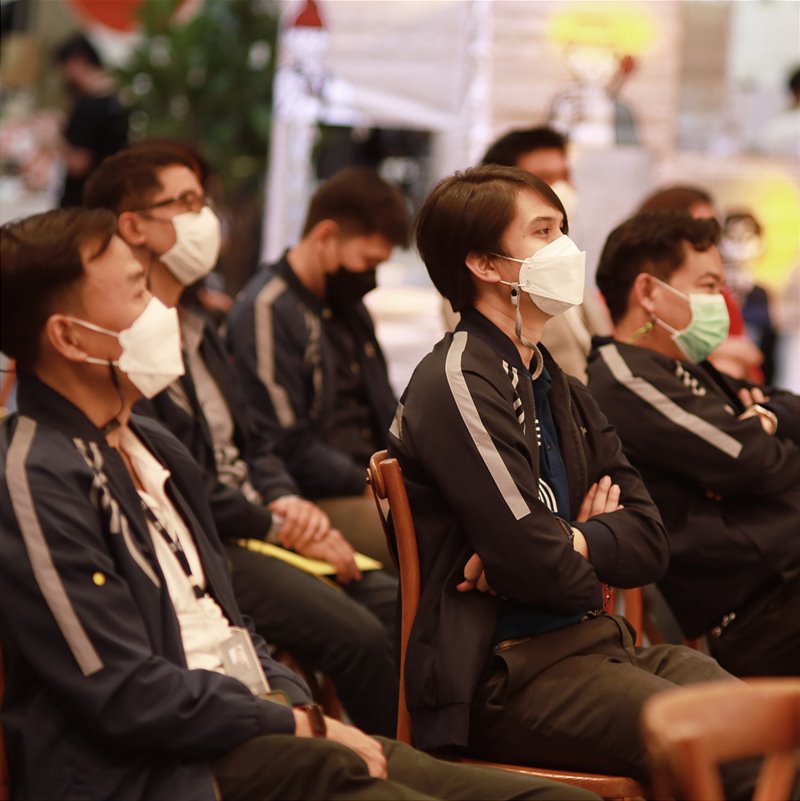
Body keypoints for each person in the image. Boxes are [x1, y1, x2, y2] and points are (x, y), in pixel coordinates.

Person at [0, 207, 603, 801]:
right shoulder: (37, 474)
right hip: (167, 772)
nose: (161, 311)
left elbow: (227, 622)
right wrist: (296, 723)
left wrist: (294, 708)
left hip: (255, 729)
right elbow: (122, 693)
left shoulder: (153, 445)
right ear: (69, 337)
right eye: (138, 292)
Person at [386, 165, 756, 796]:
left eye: (563, 230)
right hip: (508, 673)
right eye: (544, 232)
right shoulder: (459, 379)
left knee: (769, 731)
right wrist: (570, 550)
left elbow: (650, 540)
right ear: (485, 263)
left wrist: (572, 539)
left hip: (598, 645)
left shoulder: (558, 382)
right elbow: (537, 566)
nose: (566, 249)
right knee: (725, 749)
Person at [83, 145, 400, 736]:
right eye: (185, 202)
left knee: (390, 599)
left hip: (259, 515)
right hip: (214, 536)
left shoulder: (202, 322)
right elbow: (177, 480)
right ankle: (385, 760)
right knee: (359, 632)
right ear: (132, 226)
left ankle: (420, 747)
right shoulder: (127, 338)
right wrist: (277, 521)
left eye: (203, 200)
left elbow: (257, 443)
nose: (205, 218)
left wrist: (285, 501)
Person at [586, 210, 800, 678]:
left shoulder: (684, 364)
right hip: (756, 612)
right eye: (707, 286)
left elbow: (788, 409)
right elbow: (754, 461)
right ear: (648, 292)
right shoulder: (624, 379)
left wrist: (765, 418)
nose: (721, 301)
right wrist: (760, 436)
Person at [226, 167, 407, 564]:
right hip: (316, 498)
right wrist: (373, 486)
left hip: (375, 483)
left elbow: (385, 407)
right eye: (368, 261)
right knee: (429, 541)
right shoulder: (268, 309)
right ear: (325, 236)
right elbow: (282, 442)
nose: (371, 278)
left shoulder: (349, 308)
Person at [481, 126, 611, 382]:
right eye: (545, 178)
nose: (560, 188)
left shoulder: (562, 259)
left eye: (566, 176)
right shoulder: (485, 274)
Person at [638, 185, 763, 381]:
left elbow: (751, 361)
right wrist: (718, 351)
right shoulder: (627, 299)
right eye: (696, 231)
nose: (708, 242)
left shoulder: (720, 299)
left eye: (713, 233)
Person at [53, 33, 128, 208]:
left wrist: (55, 138)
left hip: (82, 201)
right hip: (110, 196)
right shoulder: (119, 100)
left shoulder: (88, 106)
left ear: (77, 61)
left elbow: (78, 163)